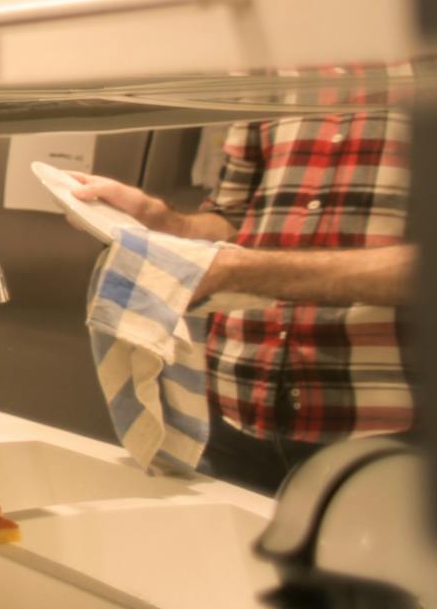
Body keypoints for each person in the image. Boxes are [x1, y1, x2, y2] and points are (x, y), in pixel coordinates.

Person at [73, 101, 417, 493]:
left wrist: (234, 271)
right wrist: (159, 220)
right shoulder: (274, 76)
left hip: (393, 427)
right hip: (234, 406)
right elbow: (233, 220)